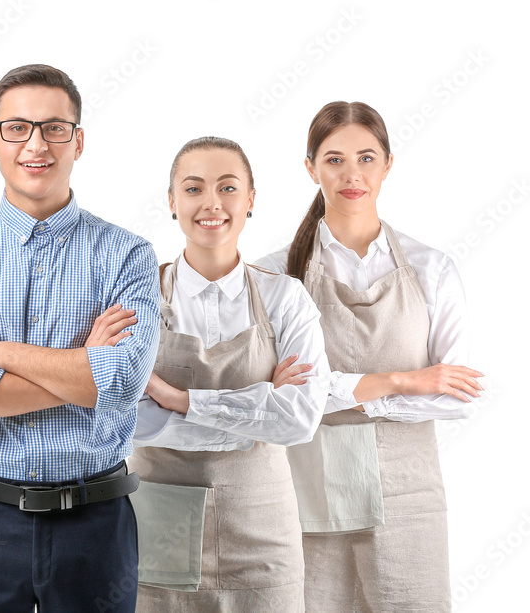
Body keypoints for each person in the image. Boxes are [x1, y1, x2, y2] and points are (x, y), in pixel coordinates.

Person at [0, 64, 160, 612]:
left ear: (78, 141)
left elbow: (121, 382)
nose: (36, 144)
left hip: (96, 523)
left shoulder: (127, 255)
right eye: (17, 128)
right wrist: (81, 368)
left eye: (54, 128)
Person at [256, 101, 484, 612]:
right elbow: (274, 399)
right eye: (334, 159)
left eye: (366, 157)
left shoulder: (433, 269)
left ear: (388, 164)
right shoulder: (273, 276)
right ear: (310, 167)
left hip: (409, 497)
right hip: (308, 496)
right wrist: (403, 382)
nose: (351, 174)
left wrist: (340, 394)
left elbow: (458, 396)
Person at [130, 136, 330, 611]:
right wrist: (257, 411)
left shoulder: (286, 299)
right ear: (173, 202)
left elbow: (301, 419)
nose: (211, 204)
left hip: (262, 530)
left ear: (251, 200)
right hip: (159, 522)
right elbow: (122, 420)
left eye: (228, 187)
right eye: (194, 189)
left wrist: (180, 401)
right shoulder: (136, 299)